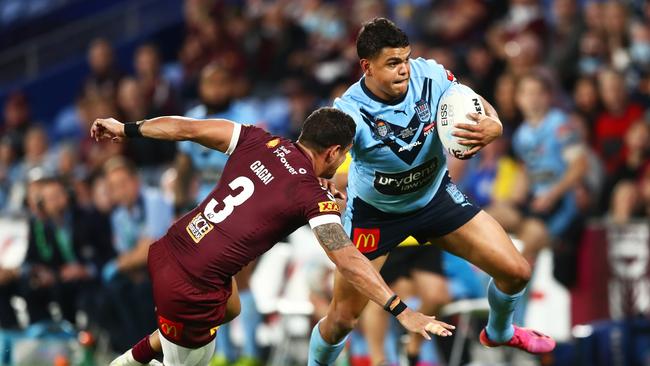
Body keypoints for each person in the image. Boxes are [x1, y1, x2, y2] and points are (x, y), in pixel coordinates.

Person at [90, 107, 455, 366]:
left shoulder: (255, 139)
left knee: (231, 307)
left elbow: (188, 128)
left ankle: (139, 355)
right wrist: (401, 311)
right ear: (334, 152)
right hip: (192, 288)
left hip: (172, 248)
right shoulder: (310, 195)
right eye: (342, 157)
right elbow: (347, 258)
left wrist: (125, 127)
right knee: (191, 354)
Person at [307, 18, 555, 366]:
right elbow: (319, 167)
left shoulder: (432, 76)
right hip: (375, 216)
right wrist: (327, 190)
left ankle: (499, 331)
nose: (404, 69)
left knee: (517, 272)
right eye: (393, 63)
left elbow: (479, 104)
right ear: (367, 66)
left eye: (406, 59)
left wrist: (494, 125)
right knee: (342, 321)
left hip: (435, 200)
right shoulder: (349, 111)